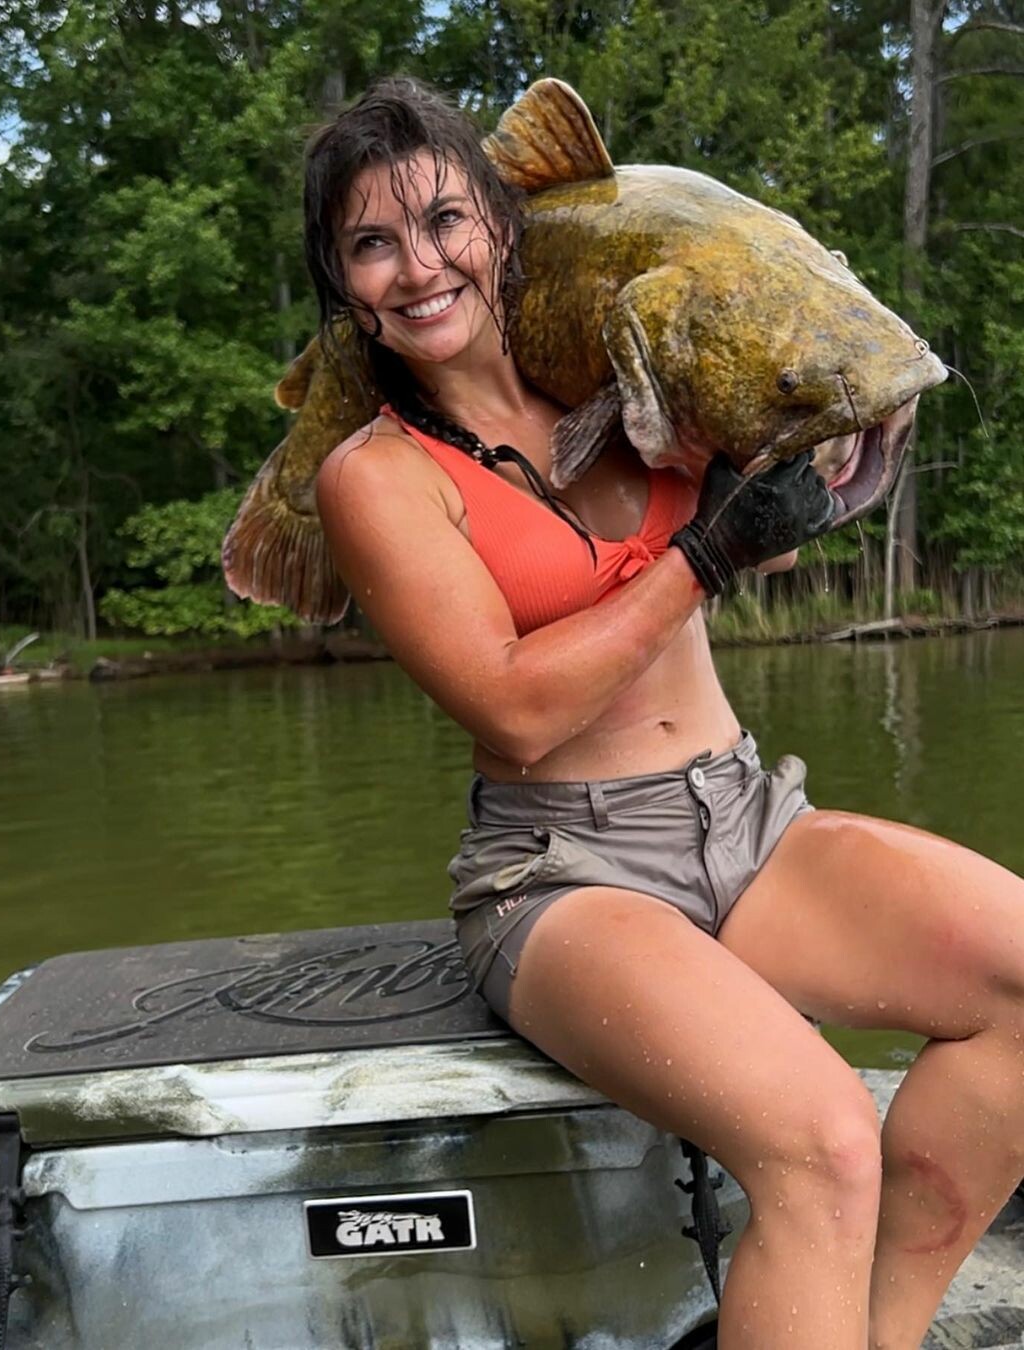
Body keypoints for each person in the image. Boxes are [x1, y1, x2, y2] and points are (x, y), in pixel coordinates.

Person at [308, 77, 1024, 1350]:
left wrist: (833, 446)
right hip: (564, 874)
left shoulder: (622, 383)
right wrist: (702, 555)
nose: (418, 267)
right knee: (824, 1142)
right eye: (374, 242)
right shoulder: (376, 477)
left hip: (744, 817)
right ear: (342, 282)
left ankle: (879, 1333)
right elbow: (515, 711)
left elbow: (777, 536)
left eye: (445, 222)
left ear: (500, 231)